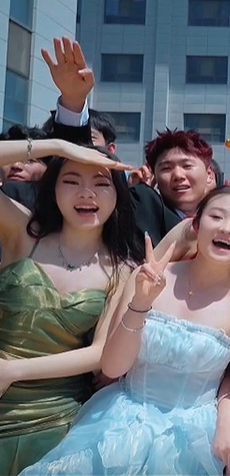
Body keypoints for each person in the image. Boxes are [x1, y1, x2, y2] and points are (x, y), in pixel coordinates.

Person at [21, 187, 230, 475]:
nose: (227, 228)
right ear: (196, 225)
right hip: (119, 425)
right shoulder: (146, 277)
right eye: (216, 216)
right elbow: (113, 367)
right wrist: (140, 302)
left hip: (193, 441)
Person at [0, 138, 142, 475]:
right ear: (53, 189)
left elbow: (101, 353)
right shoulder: (24, 233)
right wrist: (59, 146)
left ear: (118, 194)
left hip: (56, 421)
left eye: (101, 183)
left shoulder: (123, 269)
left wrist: (13, 371)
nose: (86, 193)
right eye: (71, 180)